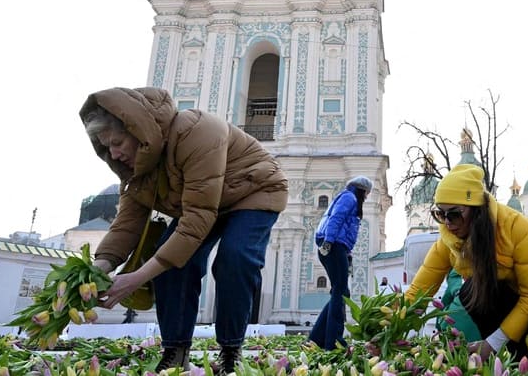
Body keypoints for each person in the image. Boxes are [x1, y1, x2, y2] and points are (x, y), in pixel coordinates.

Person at [81, 87, 287, 373]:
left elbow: (196, 220)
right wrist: (95, 271)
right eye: (106, 147)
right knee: (172, 265)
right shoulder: (137, 171)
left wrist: (136, 277)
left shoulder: (196, 131)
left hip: (253, 190)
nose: (113, 153)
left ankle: (230, 351)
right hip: (202, 205)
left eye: (117, 142)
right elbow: (126, 226)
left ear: (138, 129)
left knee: (235, 258)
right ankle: (175, 351)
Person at [406, 164, 528, 362]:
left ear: (476, 211)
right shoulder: (447, 242)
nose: (447, 223)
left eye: (454, 214)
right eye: (440, 214)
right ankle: (517, 352)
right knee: (472, 289)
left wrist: (491, 343)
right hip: (512, 311)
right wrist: (384, 330)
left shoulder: (516, 228)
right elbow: (417, 293)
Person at [309, 176, 372, 350]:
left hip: (338, 247)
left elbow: (346, 230)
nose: (366, 197)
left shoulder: (349, 198)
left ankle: (316, 338)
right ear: (361, 190)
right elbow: (336, 218)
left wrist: (348, 255)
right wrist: (328, 242)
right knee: (341, 293)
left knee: (340, 291)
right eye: (366, 193)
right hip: (333, 246)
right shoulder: (349, 198)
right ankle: (334, 341)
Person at [435, 269, 481, 342]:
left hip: (451, 327)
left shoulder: (454, 275)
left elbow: (445, 301)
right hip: (483, 333)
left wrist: (438, 327)